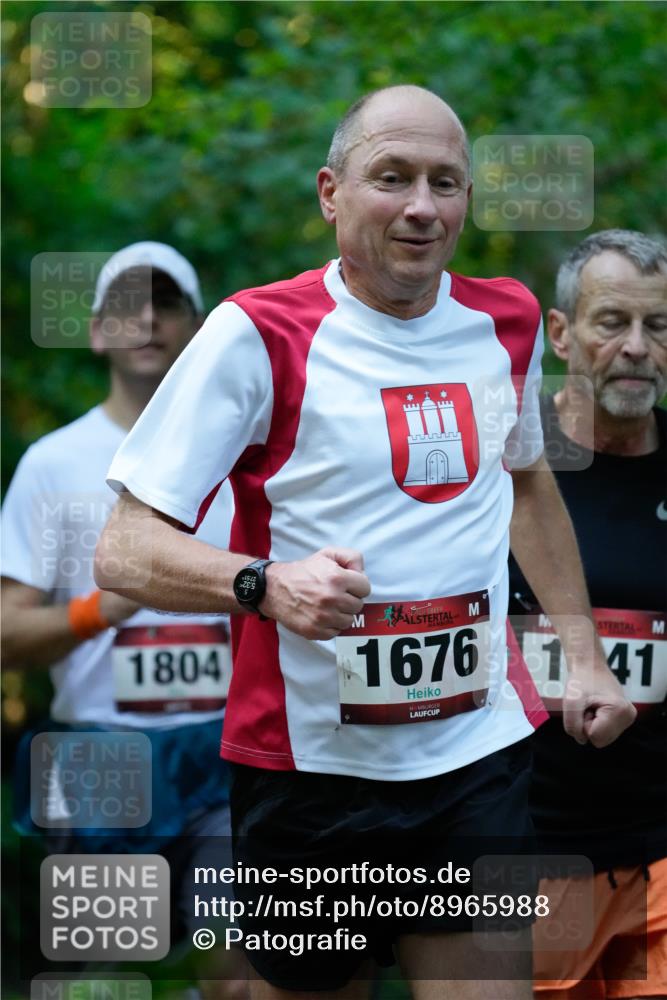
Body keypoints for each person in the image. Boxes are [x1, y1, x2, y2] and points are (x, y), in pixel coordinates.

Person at [95, 88, 635, 1000]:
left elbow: (527, 486)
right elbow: (123, 549)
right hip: (310, 773)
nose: (421, 206)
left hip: (475, 756)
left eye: (444, 183)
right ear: (330, 193)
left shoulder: (504, 321)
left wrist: (582, 655)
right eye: (392, 177)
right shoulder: (255, 333)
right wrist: (265, 584)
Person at [1, 242, 243, 996]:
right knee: (110, 980)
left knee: (240, 974)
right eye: (125, 307)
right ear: (98, 331)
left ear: (196, 328)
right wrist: (98, 609)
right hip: (98, 759)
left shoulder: (246, 457)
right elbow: (6, 636)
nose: (146, 320)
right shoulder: (53, 462)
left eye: (165, 303)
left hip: (227, 750)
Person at [508, 230, 667, 999]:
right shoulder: (504, 465)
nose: (636, 347)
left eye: (657, 326)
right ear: (561, 332)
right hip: (529, 848)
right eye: (611, 322)